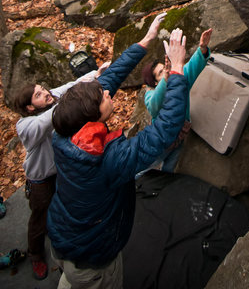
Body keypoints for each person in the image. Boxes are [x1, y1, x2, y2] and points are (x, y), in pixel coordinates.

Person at [47, 20, 188, 289]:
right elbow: (164, 130)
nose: (109, 93)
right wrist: (178, 70)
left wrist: (144, 41)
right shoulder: (106, 162)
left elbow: (109, 79)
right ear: (92, 117)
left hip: (63, 238)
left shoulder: (64, 132)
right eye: (103, 97)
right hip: (93, 259)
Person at [13, 63, 109, 281]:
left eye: (43, 89)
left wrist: (95, 75)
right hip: (41, 179)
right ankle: (36, 254)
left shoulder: (51, 98)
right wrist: (71, 102)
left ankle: (59, 238)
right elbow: (46, 121)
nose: (45, 93)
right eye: (38, 95)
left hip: (61, 170)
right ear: (30, 107)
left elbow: (70, 86)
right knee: (40, 216)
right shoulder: (25, 125)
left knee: (63, 208)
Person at [142, 27, 212, 172]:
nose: (166, 71)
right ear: (154, 82)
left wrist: (202, 48)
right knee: (144, 170)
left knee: (169, 170)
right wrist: (166, 78)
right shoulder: (150, 94)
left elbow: (192, 67)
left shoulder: (179, 78)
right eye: (161, 72)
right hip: (161, 142)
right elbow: (153, 106)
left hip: (179, 137)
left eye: (165, 67)